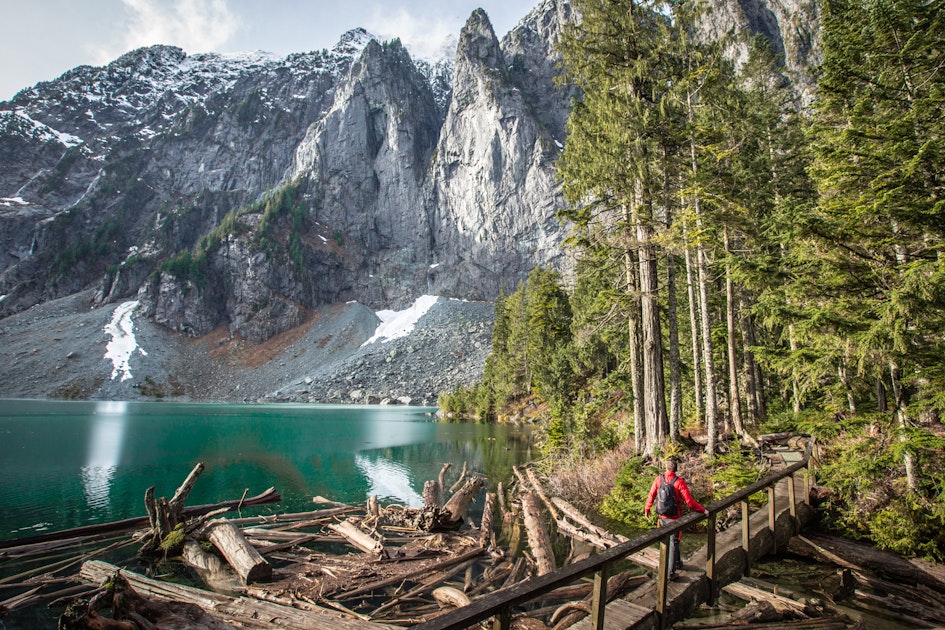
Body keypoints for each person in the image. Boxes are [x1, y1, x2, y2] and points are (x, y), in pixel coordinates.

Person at [644, 459, 708, 580]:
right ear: (676, 469)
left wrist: (647, 509)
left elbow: (651, 495)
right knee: (673, 542)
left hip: (662, 518)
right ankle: (670, 573)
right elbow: (689, 502)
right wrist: (703, 510)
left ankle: (677, 563)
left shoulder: (659, 479)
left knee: (668, 542)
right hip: (674, 518)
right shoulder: (679, 482)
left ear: (666, 468)